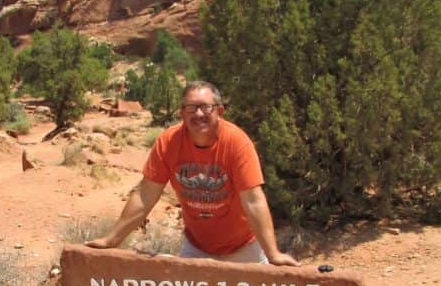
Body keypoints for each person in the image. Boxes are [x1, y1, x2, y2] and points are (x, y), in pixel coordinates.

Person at [86, 80, 298, 266]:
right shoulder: (168, 143)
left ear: (220, 111)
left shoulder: (237, 143)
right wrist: (111, 240)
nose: (198, 114)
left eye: (205, 107)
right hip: (197, 248)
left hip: (244, 249)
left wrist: (273, 254)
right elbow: (145, 195)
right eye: (191, 108)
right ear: (182, 113)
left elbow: (253, 200)